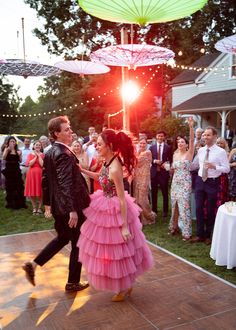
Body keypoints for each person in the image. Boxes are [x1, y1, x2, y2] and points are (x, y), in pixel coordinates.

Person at [78, 129, 153, 302]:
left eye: (99, 144)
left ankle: (124, 286)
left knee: (118, 252)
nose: (97, 146)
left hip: (115, 209)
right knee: (110, 250)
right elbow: (100, 177)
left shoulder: (115, 167)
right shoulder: (107, 162)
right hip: (104, 202)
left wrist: (125, 225)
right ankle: (125, 285)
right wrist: (82, 170)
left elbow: (121, 199)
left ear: (109, 146)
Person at [22, 116, 90, 293]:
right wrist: (73, 210)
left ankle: (33, 265)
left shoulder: (51, 151)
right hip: (69, 207)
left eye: (70, 128)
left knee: (62, 238)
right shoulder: (62, 154)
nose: (71, 131)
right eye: (66, 129)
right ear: (56, 133)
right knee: (77, 242)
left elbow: (46, 180)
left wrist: (48, 204)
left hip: (59, 206)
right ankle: (73, 282)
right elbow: (66, 183)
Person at [190, 126, 230, 245]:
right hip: (200, 181)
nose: (205, 137)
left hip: (212, 182)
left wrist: (215, 166)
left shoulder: (221, 152)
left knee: (210, 209)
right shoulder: (201, 150)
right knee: (198, 208)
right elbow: (195, 165)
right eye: (204, 135)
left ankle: (208, 235)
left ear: (214, 136)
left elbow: (227, 169)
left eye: (208, 135)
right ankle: (199, 234)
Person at [169, 117, 194, 241]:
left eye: (182, 142)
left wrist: (190, 127)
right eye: (179, 142)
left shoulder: (189, 153)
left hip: (185, 182)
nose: (180, 143)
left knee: (184, 206)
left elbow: (192, 139)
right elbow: (173, 169)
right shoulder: (175, 154)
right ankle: (174, 228)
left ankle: (187, 233)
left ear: (187, 144)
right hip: (175, 182)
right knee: (174, 205)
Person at [133, 138, 156, 225]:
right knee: (136, 198)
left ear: (147, 144)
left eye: (144, 144)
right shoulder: (138, 153)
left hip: (144, 178)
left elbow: (136, 162)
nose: (142, 145)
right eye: (140, 143)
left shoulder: (147, 152)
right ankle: (141, 218)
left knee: (142, 199)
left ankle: (150, 216)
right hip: (137, 178)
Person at [150, 130, 172, 218]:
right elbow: (149, 159)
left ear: (164, 137)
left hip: (163, 173)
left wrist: (165, 164)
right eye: (158, 136)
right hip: (154, 173)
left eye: (162, 136)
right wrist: (155, 161)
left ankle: (165, 211)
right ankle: (154, 210)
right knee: (154, 192)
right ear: (156, 137)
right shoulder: (152, 147)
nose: (160, 137)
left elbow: (170, 160)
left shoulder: (168, 147)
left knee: (164, 192)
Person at [2, 136, 27, 209]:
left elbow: (20, 160)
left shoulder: (18, 151)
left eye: (14, 141)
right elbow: (3, 158)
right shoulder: (6, 149)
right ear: (8, 142)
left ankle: (20, 203)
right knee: (10, 186)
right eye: (11, 141)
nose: (13, 143)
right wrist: (7, 150)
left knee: (19, 186)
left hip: (16, 169)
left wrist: (19, 155)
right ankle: (11, 203)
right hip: (9, 170)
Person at [24, 140, 44, 215]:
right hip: (31, 174)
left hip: (40, 174)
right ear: (33, 146)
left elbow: (42, 165)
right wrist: (35, 156)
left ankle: (39, 208)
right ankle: (34, 207)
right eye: (36, 145)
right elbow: (30, 164)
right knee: (32, 191)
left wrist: (38, 156)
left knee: (41, 191)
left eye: (39, 145)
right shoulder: (30, 154)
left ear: (41, 147)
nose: (38, 146)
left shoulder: (42, 155)